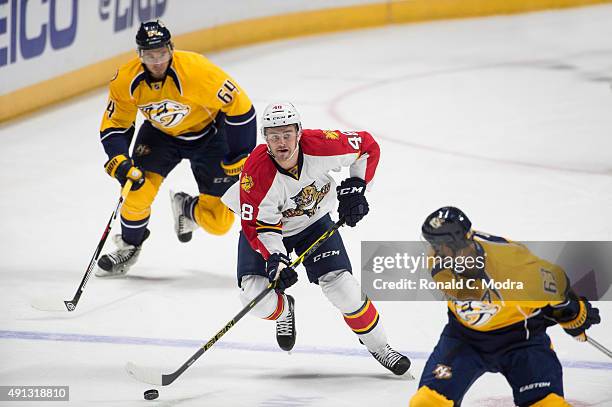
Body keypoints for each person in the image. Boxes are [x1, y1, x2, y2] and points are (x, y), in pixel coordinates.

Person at [221, 102, 412, 375]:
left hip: (314, 223)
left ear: (299, 132)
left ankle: (380, 346)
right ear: (265, 138)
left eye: (287, 134)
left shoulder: (321, 145)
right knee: (256, 300)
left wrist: (358, 187)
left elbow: (366, 146)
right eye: (274, 136)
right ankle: (284, 309)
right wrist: (276, 259)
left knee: (344, 290)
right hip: (268, 231)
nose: (281, 142)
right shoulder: (255, 174)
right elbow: (257, 227)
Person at [96, 20, 256, 277]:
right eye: (149, 55)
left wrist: (241, 154)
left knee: (218, 222)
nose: (157, 60)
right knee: (136, 191)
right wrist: (118, 158)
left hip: (210, 137)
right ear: (140, 55)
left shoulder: (197, 71)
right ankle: (129, 245)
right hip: (160, 136)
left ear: (171, 49)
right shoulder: (126, 80)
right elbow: (115, 123)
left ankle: (186, 208)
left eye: (161, 52)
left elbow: (241, 107)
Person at [410, 206, 602, 406]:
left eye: (440, 246)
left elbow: (554, 279)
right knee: (426, 403)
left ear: (460, 244)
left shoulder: (511, 262)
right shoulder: (437, 261)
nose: (433, 251)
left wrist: (571, 312)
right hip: (464, 339)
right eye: (431, 244)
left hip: (520, 341)